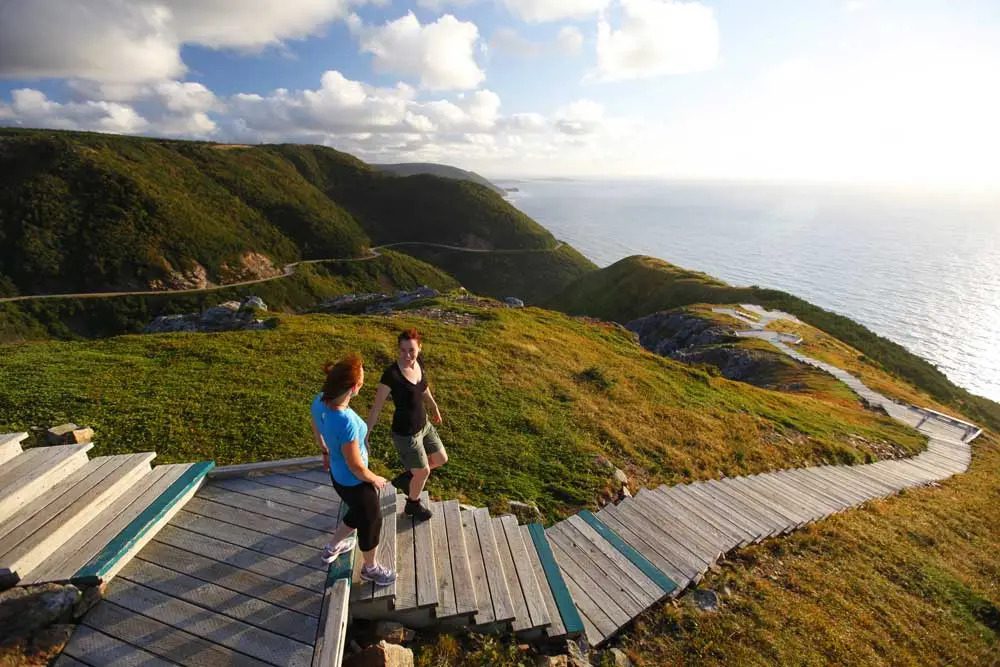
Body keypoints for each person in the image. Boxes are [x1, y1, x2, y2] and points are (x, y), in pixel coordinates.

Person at [310, 354, 396, 586]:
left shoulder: (320, 401)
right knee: (372, 520)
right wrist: (374, 479)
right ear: (353, 387)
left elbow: (315, 423)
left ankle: (331, 548)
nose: (363, 385)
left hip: (338, 477)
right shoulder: (345, 421)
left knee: (358, 513)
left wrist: (325, 450)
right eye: (361, 382)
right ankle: (370, 568)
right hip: (354, 481)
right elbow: (356, 465)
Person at [367, 328, 447, 521]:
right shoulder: (391, 375)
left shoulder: (418, 363)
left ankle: (409, 477)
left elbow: (423, 387)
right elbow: (376, 407)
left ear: (420, 347)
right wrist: (366, 435)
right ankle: (412, 505)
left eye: (411, 350)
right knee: (424, 471)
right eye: (402, 350)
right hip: (406, 433)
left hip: (424, 425)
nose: (407, 355)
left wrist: (434, 407)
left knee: (441, 458)